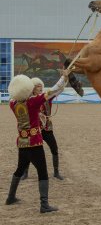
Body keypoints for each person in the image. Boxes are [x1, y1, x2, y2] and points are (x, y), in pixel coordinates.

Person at [5, 70, 70, 213]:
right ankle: (44, 205)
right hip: (34, 143)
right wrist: (63, 77)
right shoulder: (32, 102)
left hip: (22, 142)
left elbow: (13, 97)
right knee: (43, 172)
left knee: (19, 169)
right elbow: (52, 90)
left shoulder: (13, 104)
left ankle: (10, 197)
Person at [21, 77, 64, 180]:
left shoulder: (47, 97)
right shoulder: (29, 100)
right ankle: (25, 173)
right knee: (28, 151)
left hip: (47, 129)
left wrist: (65, 79)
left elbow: (59, 90)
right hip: (34, 130)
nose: (40, 88)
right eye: (37, 86)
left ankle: (56, 172)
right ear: (32, 89)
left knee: (54, 149)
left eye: (41, 86)